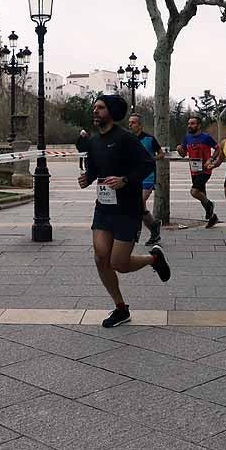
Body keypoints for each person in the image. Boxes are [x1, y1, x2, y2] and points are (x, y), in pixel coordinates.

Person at [79, 95, 171, 328]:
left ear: (111, 112)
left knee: (118, 263)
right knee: (101, 256)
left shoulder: (126, 139)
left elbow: (148, 164)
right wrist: (86, 178)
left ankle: (153, 258)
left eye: (100, 108)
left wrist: (125, 179)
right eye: (94, 108)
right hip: (104, 207)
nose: (95, 111)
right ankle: (121, 308)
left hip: (128, 209)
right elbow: (93, 168)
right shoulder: (93, 141)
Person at [127, 112, 164, 245]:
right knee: (139, 206)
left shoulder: (149, 139)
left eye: (133, 122)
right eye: (129, 122)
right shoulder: (127, 139)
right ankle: (154, 227)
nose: (130, 125)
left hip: (148, 176)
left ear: (140, 125)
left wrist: (152, 159)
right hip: (132, 177)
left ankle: (136, 231)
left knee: (138, 202)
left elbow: (161, 154)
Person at [177, 116, 220, 228]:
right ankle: (212, 217)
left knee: (194, 191)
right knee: (202, 195)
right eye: (189, 123)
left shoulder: (206, 137)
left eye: (192, 123)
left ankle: (210, 204)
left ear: (199, 125)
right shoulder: (187, 138)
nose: (189, 126)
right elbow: (183, 154)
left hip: (205, 170)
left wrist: (211, 160)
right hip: (194, 171)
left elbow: (218, 148)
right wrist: (179, 149)